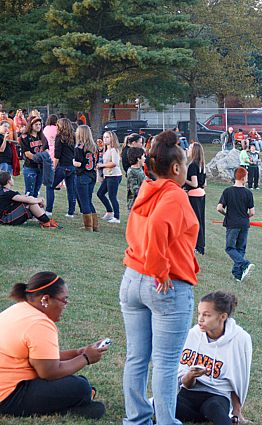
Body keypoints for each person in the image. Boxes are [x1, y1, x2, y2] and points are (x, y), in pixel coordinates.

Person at [120, 130, 200, 425]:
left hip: (132, 279)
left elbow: (142, 228)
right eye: (186, 164)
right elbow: (156, 228)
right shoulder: (175, 195)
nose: (187, 169)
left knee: (137, 357)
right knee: (166, 363)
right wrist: (160, 270)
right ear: (176, 168)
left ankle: (137, 419)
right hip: (164, 285)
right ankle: (166, 421)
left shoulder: (147, 188)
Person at [0, 272, 107, 419]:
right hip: (8, 396)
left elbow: (41, 358)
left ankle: (76, 400)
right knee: (81, 387)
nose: (65, 305)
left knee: (79, 383)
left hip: (7, 387)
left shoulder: (19, 309)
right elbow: (49, 372)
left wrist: (77, 352)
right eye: (64, 300)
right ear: (45, 299)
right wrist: (85, 358)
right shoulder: (40, 323)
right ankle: (71, 405)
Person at [176, 291, 252, 425]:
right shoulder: (193, 334)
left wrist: (237, 411)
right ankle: (201, 417)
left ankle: (212, 417)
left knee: (215, 409)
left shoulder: (240, 339)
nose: (200, 319)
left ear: (223, 316)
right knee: (163, 408)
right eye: (199, 313)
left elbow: (239, 379)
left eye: (206, 315)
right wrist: (191, 376)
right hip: (189, 394)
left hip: (217, 396)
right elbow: (184, 383)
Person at [217, 167, 255, 282]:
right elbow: (252, 212)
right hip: (244, 224)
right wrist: (245, 218)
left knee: (230, 247)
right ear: (243, 178)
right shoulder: (248, 193)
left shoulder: (227, 191)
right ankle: (237, 275)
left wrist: (227, 214)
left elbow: (219, 208)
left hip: (232, 223)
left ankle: (245, 264)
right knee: (240, 249)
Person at [45, 118, 77, 218]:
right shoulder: (73, 137)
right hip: (71, 167)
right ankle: (71, 212)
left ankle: (49, 210)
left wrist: (53, 168)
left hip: (62, 166)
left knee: (50, 186)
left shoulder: (59, 138)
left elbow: (57, 155)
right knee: (71, 190)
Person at [73, 125, 99, 231]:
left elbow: (78, 163)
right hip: (92, 175)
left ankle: (88, 226)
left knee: (84, 201)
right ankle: (95, 225)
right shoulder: (94, 146)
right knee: (88, 200)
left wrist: (72, 162)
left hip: (82, 175)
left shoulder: (79, 147)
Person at [184, 142, 207, 255]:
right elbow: (204, 183)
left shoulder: (193, 165)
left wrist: (183, 179)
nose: (188, 149)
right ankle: (200, 245)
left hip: (194, 195)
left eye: (190, 148)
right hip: (201, 194)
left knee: (194, 222)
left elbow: (194, 183)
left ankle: (197, 246)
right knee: (200, 220)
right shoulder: (202, 164)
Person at [96, 130, 122, 224]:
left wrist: (102, 165)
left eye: (107, 137)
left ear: (112, 138)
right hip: (108, 176)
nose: (105, 139)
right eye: (104, 137)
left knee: (112, 196)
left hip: (114, 176)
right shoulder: (105, 150)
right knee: (100, 193)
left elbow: (114, 163)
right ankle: (109, 211)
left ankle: (117, 217)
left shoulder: (114, 150)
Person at [19, 117, 48, 198]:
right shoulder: (24, 137)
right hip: (30, 167)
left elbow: (47, 150)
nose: (38, 126)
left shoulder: (42, 136)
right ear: (31, 125)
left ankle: (34, 210)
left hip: (41, 167)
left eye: (40, 124)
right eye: (36, 124)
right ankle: (27, 210)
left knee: (36, 192)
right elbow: (27, 154)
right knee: (29, 192)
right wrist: (40, 158)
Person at [126, 147, 146, 212]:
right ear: (138, 158)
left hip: (143, 203)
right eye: (143, 156)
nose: (145, 158)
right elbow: (135, 190)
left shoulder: (140, 169)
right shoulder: (131, 172)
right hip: (135, 206)